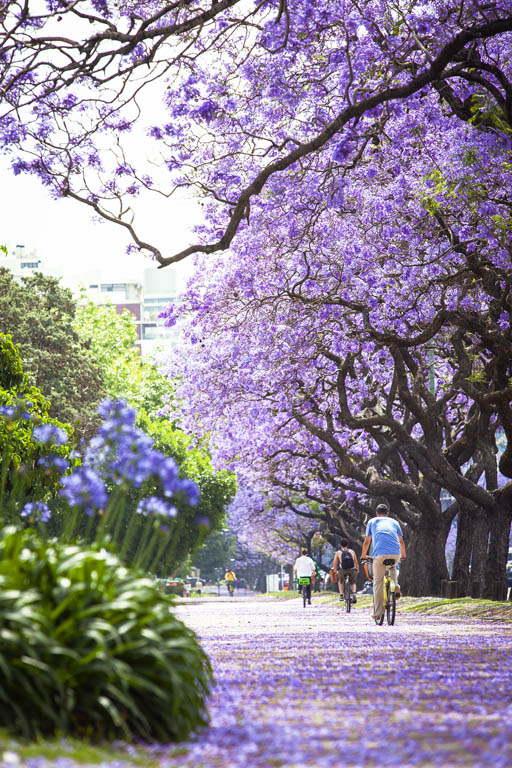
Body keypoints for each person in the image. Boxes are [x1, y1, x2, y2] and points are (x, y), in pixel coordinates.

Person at [361, 504, 406, 621]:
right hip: (396, 553)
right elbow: (401, 541)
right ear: (387, 513)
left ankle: (377, 613)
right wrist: (403, 554)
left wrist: (363, 555)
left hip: (380, 554)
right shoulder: (394, 522)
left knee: (378, 582)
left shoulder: (372, 521)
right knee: (392, 567)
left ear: (376, 513)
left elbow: (367, 542)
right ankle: (396, 585)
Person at [332, 538, 360, 603]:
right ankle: (354, 594)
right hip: (352, 569)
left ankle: (341, 595)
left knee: (340, 581)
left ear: (340, 545)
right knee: (353, 582)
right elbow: (356, 562)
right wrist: (357, 570)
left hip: (343, 570)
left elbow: (335, 563)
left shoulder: (338, 552)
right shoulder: (352, 551)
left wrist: (335, 571)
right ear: (347, 545)